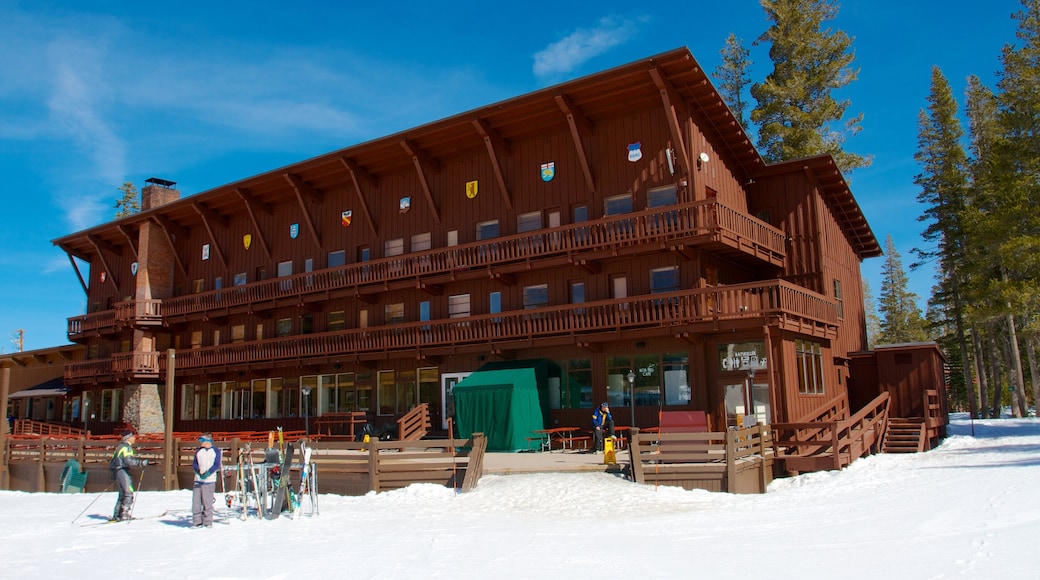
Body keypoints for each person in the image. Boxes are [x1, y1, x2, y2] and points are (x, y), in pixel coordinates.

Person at [109, 430, 148, 521]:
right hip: (122, 470)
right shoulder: (126, 448)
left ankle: (117, 514)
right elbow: (128, 461)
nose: (134, 438)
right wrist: (141, 463)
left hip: (117, 470)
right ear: (128, 438)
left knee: (122, 493)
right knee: (128, 492)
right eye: (133, 437)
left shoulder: (120, 447)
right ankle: (124, 514)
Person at [192, 432, 222, 528]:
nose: (200, 442)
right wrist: (198, 472)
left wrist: (208, 473)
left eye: (202, 440)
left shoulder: (215, 451)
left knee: (207, 501)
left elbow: (216, 464)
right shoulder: (198, 451)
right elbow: (195, 464)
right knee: (196, 501)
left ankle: (208, 521)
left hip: (209, 480)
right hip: (198, 480)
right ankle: (197, 521)